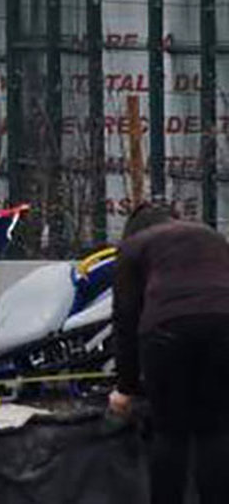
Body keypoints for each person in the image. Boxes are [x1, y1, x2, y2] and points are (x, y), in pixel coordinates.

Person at [109, 202, 229, 504]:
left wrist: (126, 388)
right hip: (224, 325)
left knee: (169, 432)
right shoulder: (211, 236)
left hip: (166, 331)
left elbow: (126, 318)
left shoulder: (133, 247)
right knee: (214, 430)